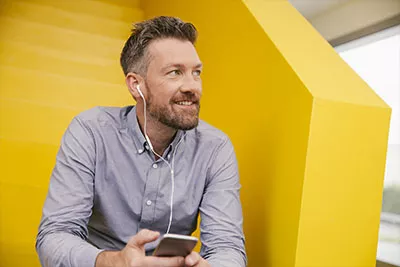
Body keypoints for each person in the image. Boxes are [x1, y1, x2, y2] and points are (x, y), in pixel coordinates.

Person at [36, 16, 247, 267]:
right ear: (136, 85)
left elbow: (227, 247)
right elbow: (54, 236)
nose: (193, 86)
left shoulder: (215, 148)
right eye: (175, 72)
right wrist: (115, 262)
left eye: (196, 72)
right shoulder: (91, 131)